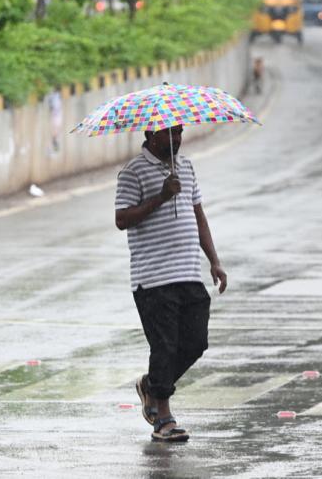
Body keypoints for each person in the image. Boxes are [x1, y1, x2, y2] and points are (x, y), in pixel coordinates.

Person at [115, 125, 227, 443]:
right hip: (153, 277)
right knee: (164, 346)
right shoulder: (132, 172)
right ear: (151, 135)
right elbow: (122, 219)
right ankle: (163, 417)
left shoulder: (187, 167)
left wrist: (214, 261)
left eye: (179, 132)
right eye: (169, 134)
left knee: (195, 343)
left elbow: (198, 216)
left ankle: (151, 385)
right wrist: (161, 197)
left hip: (189, 272)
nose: (176, 139)